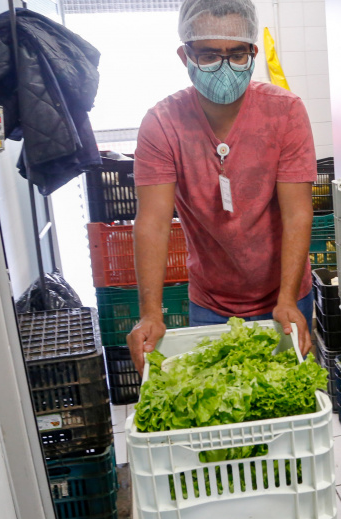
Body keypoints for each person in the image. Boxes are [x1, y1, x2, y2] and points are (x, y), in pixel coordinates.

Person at [127, 0, 315, 373]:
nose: (225, 66)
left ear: (253, 53)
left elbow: (297, 212)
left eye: (237, 54)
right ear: (185, 55)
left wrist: (288, 298)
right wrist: (150, 313)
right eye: (210, 55)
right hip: (211, 302)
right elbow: (153, 222)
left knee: (286, 403)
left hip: (285, 295)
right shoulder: (162, 124)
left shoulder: (286, 112)